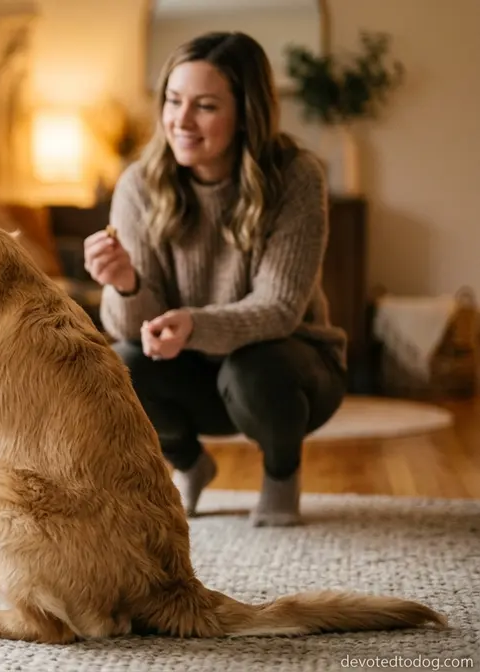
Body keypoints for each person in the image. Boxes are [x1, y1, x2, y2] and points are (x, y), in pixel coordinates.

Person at [84, 31, 348, 527]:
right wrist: (125, 285)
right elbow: (132, 331)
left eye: (205, 106)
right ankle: (190, 464)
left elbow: (280, 308)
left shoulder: (296, 177)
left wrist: (194, 324)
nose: (181, 121)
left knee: (253, 368)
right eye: (173, 100)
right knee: (119, 365)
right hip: (193, 372)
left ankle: (281, 472)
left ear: (246, 113)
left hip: (292, 371)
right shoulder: (139, 185)